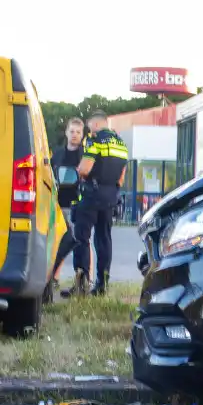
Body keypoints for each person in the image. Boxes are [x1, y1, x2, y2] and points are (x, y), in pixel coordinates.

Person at [69, 110, 128, 296]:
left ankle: (82, 284)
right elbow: (121, 177)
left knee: (81, 238)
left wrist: (78, 170)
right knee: (104, 240)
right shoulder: (121, 144)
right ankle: (102, 285)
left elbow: (85, 169)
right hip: (110, 196)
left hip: (91, 195)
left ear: (95, 125)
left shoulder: (94, 141)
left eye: (89, 127)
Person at [49, 117, 85, 297]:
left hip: (78, 206)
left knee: (81, 243)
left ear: (82, 134)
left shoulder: (86, 156)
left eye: (78, 132)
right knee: (59, 243)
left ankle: (83, 279)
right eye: (72, 131)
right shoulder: (57, 154)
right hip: (58, 205)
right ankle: (54, 277)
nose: (74, 135)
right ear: (66, 132)